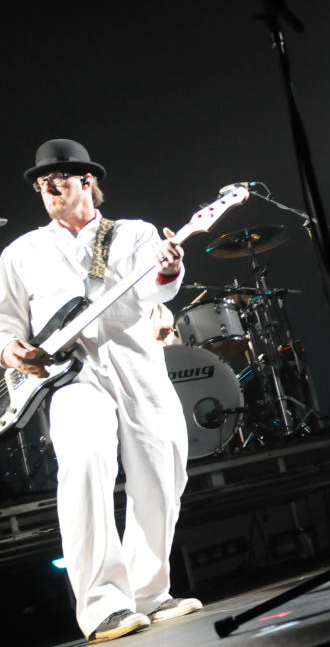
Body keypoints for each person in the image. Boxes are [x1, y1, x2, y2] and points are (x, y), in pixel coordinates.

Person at [0, 139, 202, 642]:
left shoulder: (133, 233)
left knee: (163, 469)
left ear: (87, 180)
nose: (48, 188)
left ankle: (149, 592)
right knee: (86, 466)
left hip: (137, 365)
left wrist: (169, 266)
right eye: (41, 183)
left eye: (58, 179)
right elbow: (5, 322)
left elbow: (155, 289)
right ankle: (102, 607)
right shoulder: (21, 252)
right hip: (72, 377)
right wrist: (10, 352)